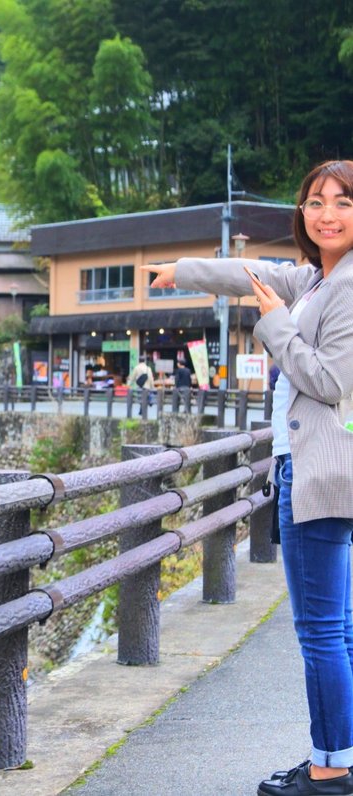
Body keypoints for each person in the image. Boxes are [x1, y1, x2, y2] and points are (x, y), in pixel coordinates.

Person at [143, 160, 353, 796]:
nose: (327, 213)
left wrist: (275, 326)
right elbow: (253, 273)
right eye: (315, 202)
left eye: (343, 202)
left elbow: (331, 382)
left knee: (320, 631)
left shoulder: (346, 287)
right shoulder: (319, 277)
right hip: (318, 467)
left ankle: (329, 771)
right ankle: (335, 757)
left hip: (319, 473)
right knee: (337, 629)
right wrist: (183, 271)